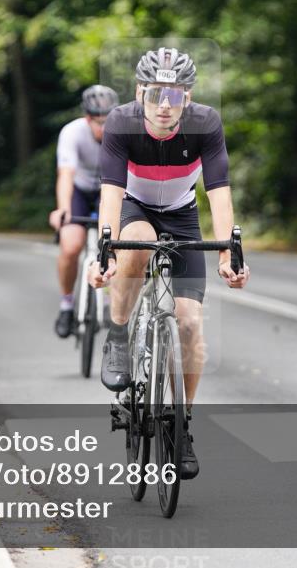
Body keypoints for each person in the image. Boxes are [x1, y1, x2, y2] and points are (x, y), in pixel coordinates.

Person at [88, 47, 250, 480]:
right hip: (134, 208)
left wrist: (228, 254)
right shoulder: (120, 122)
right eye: (156, 94)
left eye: (175, 95)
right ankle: (118, 336)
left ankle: (180, 426)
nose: (164, 104)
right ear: (139, 92)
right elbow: (110, 194)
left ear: (188, 97)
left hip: (181, 216)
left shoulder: (206, 123)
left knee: (190, 324)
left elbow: (219, 192)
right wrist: (105, 252)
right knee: (139, 243)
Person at [50, 85, 119, 338]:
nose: (105, 127)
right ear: (87, 118)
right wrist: (63, 209)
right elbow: (65, 175)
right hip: (79, 190)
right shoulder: (72, 132)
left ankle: (110, 299)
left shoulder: (122, 133)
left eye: (109, 121)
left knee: (116, 245)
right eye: (99, 122)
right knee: (70, 246)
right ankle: (66, 304)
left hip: (108, 191)